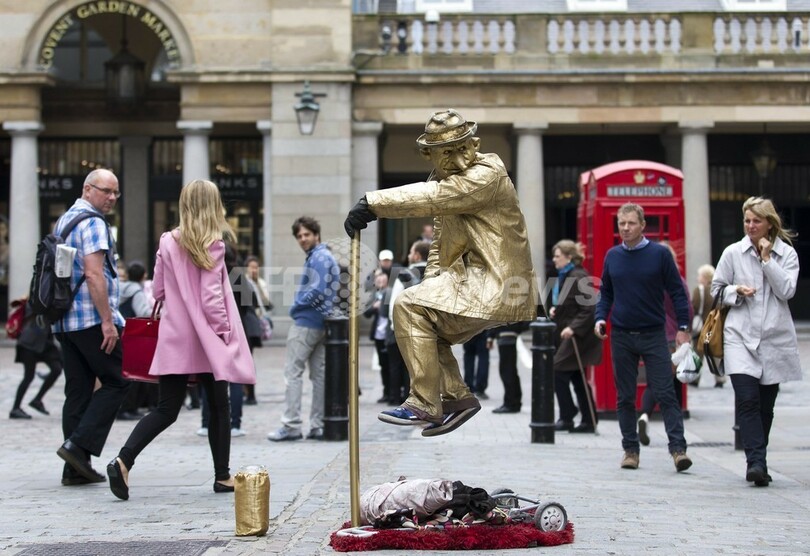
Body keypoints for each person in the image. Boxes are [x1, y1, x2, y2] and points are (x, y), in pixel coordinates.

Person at [344, 109, 538, 436]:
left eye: (462, 147)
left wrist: (374, 203)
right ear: (429, 153)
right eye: (445, 151)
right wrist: (431, 285)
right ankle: (458, 397)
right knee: (422, 317)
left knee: (406, 305)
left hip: (498, 282)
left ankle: (424, 403)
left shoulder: (487, 173)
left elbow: (436, 198)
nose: (456, 157)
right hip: (473, 279)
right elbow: (440, 245)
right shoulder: (446, 181)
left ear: (473, 144)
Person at [106, 179, 256, 500]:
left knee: (166, 409)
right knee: (219, 406)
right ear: (213, 206)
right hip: (206, 338)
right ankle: (222, 476)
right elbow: (212, 298)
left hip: (175, 334)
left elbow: (158, 290)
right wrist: (224, 333)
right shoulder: (213, 244)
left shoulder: (167, 241)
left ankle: (123, 459)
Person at [594, 202, 692, 472]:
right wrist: (600, 318)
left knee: (665, 392)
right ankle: (630, 451)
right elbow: (606, 293)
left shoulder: (659, 254)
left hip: (653, 334)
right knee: (625, 396)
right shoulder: (612, 256)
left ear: (642, 225)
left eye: (630, 223)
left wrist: (683, 326)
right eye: (621, 224)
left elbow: (677, 292)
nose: (625, 228)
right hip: (622, 335)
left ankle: (678, 450)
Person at [712, 196, 801, 487]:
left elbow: (787, 290)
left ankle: (758, 458)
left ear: (769, 224)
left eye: (756, 221)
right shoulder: (732, 253)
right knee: (747, 400)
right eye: (747, 220)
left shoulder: (785, 254)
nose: (750, 226)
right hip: (739, 336)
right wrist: (736, 291)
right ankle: (756, 463)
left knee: (765, 406)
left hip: (773, 339)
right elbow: (716, 289)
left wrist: (766, 261)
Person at [54, 168, 131, 487]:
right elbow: (94, 274)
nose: (111, 198)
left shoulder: (65, 219)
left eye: (116, 192)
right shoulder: (95, 224)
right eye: (105, 191)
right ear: (88, 189)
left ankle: (75, 468)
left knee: (78, 389)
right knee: (117, 380)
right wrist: (107, 322)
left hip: (64, 320)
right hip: (89, 318)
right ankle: (78, 445)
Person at [267, 216, 340, 442]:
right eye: (299, 236)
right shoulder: (325, 256)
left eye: (306, 234)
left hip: (307, 322)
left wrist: (297, 306)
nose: (303, 239)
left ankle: (291, 425)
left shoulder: (319, 256)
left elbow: (317, 290)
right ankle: (317, 425)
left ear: (316, 234)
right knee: (319, 376)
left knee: (293, 372)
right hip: (322, 323)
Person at [636, 242, 692, 445]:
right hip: (673, 338)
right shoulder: (677, 280)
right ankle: (676, 435)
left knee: (654, 382)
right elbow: (687, 308)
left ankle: (643, 415)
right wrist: (686, 331)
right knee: (673, 387)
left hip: (652, 336)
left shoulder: (649, 281)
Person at [549, 240, 601, 433]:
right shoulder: (567, 275)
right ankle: (589, 419)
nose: (554, 260)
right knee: (577, 376)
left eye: (557, 256)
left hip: (578, 336)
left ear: (569, 257)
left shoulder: (578, 276)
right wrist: (557, 310)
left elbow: (589, 308)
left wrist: (572, 328)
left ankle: (567, 414)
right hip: (567, 334)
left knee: (557, 369)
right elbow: (570, 304)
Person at [382, 240, 430, 406]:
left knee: (398, 366)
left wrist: (394, 327)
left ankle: (398, 398)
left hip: (405, 328)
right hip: (428, 330)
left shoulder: (403, 274)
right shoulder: (437, 274)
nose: (409, 255)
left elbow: (393, 303)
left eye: (411, 252)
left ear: (416, 255)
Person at [117, 261, 158, 421]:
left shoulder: (123, 288)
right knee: (135, 372)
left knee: (127, 370)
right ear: (142, 275)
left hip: (122, 329)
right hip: (135, 334)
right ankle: (128, 407)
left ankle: (130, 406)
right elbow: (142, 311)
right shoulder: (137, 292)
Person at [9, 300, 62, 419]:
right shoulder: (35, 300)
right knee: (28, 376)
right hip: (30, 342)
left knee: (56, 369)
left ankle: (37, 400)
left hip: (44, 344)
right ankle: (15, 408)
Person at [691, 264, 725, 388]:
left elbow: (693, 307)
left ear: (704, 277)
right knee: (715, 351)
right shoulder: (719, 290)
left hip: (701, 327)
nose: (698, 278)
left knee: (698, 352)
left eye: (699, 275)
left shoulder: (699, 290)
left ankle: (694, 378)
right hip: (715, 326)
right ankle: (720, 378)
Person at [488, 322, 530, 414]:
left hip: (506, 337)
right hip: (508, 336)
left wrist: (491, 336)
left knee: (507, 372)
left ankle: (511, 403)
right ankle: (514, 402)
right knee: (510, 371)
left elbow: (495, 317)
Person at [365, 271, 393, 403]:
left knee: (390, 364)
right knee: (383, 364)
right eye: (378, 280)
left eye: (383, 279)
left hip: (389, 333)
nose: (380, 281)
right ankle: (386, 391)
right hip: (378, 334)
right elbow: (366, 314)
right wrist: (375, 307)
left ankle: (393, 392)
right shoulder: (374, 296)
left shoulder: (391, 293)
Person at [463, 331, 490, 400]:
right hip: (482, 329)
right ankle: (480, 388)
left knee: (469, 358)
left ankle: (469, 386)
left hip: (468, 331)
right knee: (483, 358)